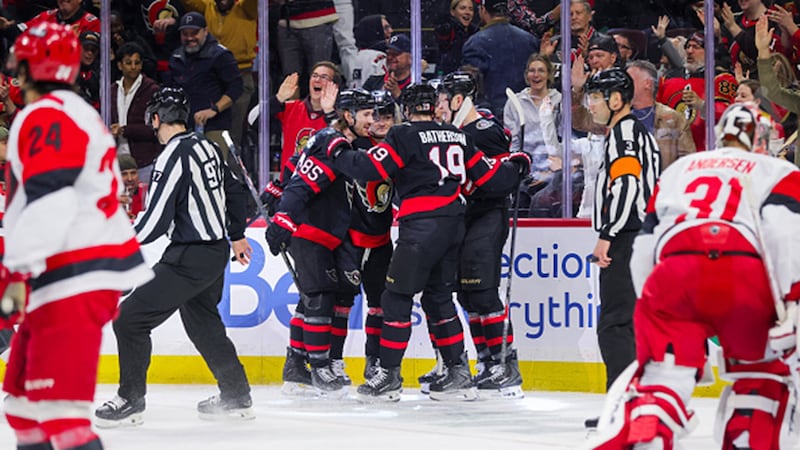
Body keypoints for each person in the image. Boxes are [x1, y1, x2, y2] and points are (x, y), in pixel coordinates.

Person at [588, 101, 800, 450]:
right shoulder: (777, 170)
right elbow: (783, 232)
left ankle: (648, 437)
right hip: (741, 272)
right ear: (761, 138)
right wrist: (791, 300)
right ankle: (749, 435)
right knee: (759, 378)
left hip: (673, 272)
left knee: (662, 379)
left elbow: (646, 245)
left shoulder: (680, 169)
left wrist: (652, 305)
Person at [1, 23, 153, 450]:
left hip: (72, 273)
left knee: (61, 415)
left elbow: (53, 197)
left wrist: (17, 272)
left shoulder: (48, 114)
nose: (15, 72)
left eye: (22, 64)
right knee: (25, 406)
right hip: (65, 272)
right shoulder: (68, 109)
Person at [328, 83, 530, 403]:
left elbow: (370, 168)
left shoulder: (403, 135)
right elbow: (491, 180)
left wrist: (336, 149)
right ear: (434, 106)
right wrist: (517, 166)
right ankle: (458, 372)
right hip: (454, 226)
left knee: (395, 298)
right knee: (438, 298)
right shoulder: (457, 135)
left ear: (406, 110)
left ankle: (389, 375)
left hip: (421, 227)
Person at [94, 86, 254, 427]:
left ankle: (130, 400)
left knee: (130, 319)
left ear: (155, 119)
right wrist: (237, 234)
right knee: (204, 325)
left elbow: (155, 220)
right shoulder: (208, 146)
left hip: (190, 256)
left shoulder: (173, 155)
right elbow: (236, 188)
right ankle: (236, 394)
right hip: (214, 253)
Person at [266, 87, 375, 397]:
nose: (372, 120)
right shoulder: (331, 142)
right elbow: (303, 183)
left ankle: (297, 366)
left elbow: (293, 165)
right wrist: (283, 217)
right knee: (319, 299)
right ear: (349, 115)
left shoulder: (335, 140)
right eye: (366, 114)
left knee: (313, 300)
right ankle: (319, 367)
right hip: (310, 233)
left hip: (328, 235)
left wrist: (276, 188)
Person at [440, 71, 524, 398]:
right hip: (465, 218)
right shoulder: (456, 132)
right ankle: (488, 361)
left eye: (444, 102)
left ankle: (505, 365)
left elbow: (496, 176)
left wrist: (515, 166)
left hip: (487, 217)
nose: (439, 109)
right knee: (466, 295)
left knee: (485, 292)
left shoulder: (484, 130)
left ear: (459, 100)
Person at [585, 67, 661, 426]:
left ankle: (622, 408)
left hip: (627, 236)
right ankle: (636, 406)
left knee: (615, 325)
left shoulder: (624, 132)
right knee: (630, 324)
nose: (592, 105)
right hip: (642, 236)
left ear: (617, 99)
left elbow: (627, 185)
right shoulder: (635, 132)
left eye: (596, 98)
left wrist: (608, 234)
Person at [164, 12, 243, 157]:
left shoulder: (221, 55)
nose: (189, 38)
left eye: (194, 33)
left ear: (205, 31)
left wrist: (214, 109)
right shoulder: (176, 57)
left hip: (214, 126)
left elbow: (236, 87)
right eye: (185, 34)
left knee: (214, 167)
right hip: (182, 127)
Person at [180, 0, 257, 148]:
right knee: (209, 135)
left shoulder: (246, 8)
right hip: (210, 77)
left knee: (231, 138)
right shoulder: (208, 6)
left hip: (240, 75)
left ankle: (234, 170)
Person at [462, 0, 540, 122]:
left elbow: (472, 85)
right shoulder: (530, 40)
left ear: (483, 10)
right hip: (527, 116)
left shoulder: (475, 43)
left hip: (493, 120)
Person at [271, 61, 342, 173]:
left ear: (334, 86)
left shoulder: (340, 116)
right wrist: (278, 98)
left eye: (324, 77)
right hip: (290, 184)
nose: (317, 80)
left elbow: (342, 142)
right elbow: (253, 120)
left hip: (322, 185)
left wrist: (329, 112)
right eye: (314, 76)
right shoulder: (291, 108)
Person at [626, 59, 696, 170]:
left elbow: (687, 160)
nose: (625, 85)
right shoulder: (618, 116)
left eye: (630, 80)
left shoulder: (674, 119)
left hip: (663, 184)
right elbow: (589, 123)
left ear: (647, 84)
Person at [110, 42, 161, 183]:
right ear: (120, 65)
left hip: (144, 161)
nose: (133, 67)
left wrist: (125, 130)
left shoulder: (152, 90)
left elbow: (155, 128)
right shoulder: (111, 90)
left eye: (137, 63)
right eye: (128, 63)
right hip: (116, 162)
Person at [0, 0, 100, 38]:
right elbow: (23, 31)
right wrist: (6, 27)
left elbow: (90, 57)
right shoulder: (47, 16)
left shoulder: (91, 23)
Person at [434, 0, 479, 76]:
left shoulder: (476, 33)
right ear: (453, 12)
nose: (467, 12)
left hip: (471, 79)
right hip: (448, 79)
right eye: (463, 8)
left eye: (470, 9)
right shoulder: (446, 29)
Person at [363, 34, 413, 100]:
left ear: (410, 58)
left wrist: (398, 95)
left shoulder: (418, 86)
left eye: (395, 54)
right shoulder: (372, 82)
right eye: (388, 53)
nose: (390, 57)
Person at [117, 154, 147, 221]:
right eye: (124, 174)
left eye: (133, 173)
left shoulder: (147, 192)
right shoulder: (109, 196)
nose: (130, 179)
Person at [77, 30, 101, 111]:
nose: (90, 53)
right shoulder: (69, 74)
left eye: (93, 50)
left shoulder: (97, 75)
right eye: (86, 48)